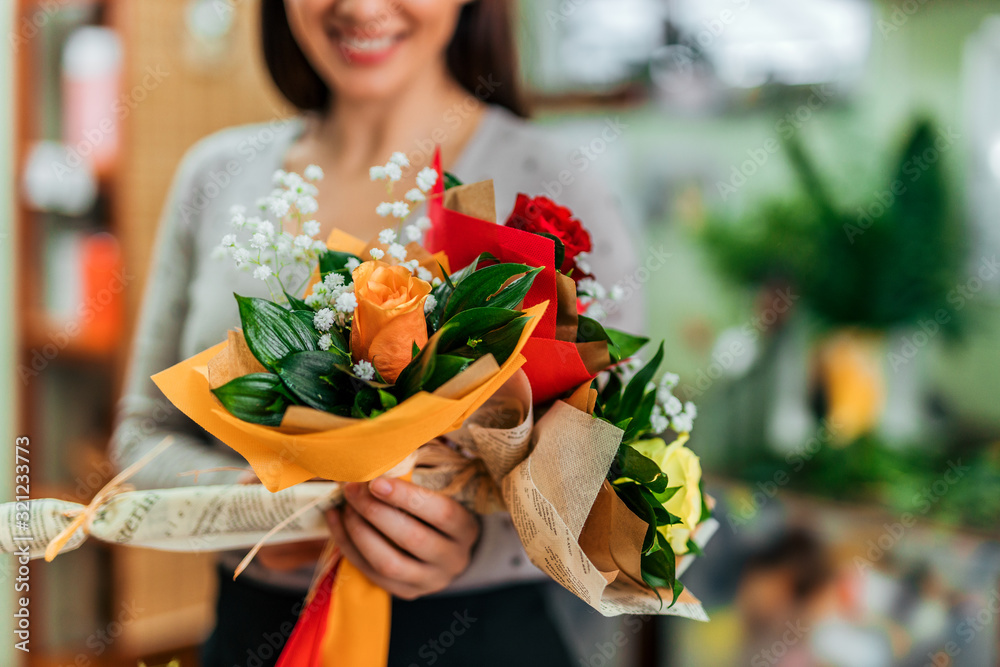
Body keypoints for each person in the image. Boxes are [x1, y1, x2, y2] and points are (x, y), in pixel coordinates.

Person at [111, 0, 642, 665]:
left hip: (483, 640)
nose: (359, 6)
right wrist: (246, 504)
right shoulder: (214, 177)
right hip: (255, 635)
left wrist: (470, 545)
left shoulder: (558, 182)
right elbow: (138, 441)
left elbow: (614, 478)